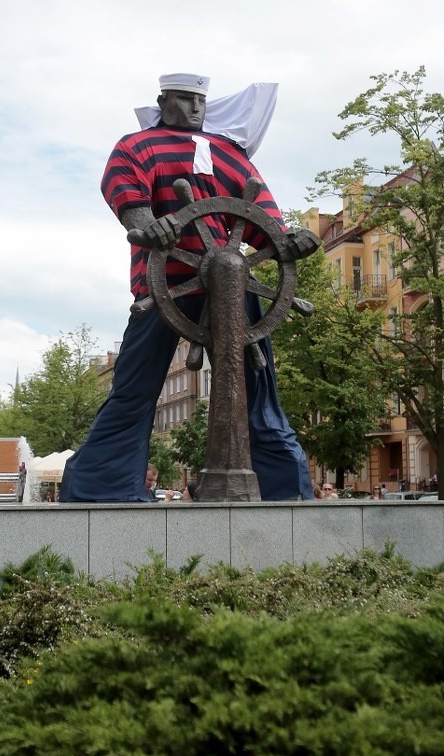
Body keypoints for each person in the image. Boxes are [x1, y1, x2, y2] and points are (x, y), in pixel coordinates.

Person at [59, 72, 318, 503]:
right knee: (134, 391)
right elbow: (126, 196)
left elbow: (262, 220)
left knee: (260, 392)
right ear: (163, 100)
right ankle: (103, 491)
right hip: (166, 284)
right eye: (184, 100)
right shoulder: (137, 146)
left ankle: (283, 491)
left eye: (200, 101)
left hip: (234, 284)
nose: (196, 108)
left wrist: (290, 238)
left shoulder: (229, 153)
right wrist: (145, 226)